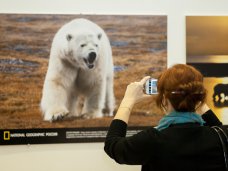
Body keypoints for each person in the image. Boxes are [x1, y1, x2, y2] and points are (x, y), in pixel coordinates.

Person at [104, 64, 225, 171]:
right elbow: (218, 127)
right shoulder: (219, 137)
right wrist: (194, 99)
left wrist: (128, 100)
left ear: (164, 99)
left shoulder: (153, 139)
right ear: (199, 97)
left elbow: (112, 145)